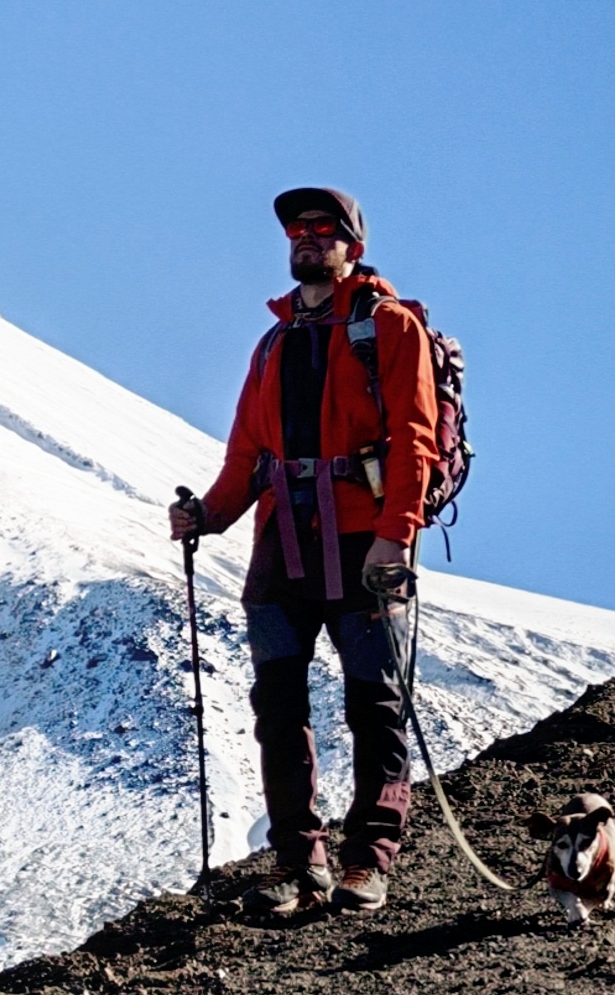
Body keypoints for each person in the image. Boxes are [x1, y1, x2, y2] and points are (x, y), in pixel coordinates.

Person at [165, 187, 438, 917]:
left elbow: (416, 438)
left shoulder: (390, 328)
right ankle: (301, 865)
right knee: (277, 708)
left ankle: (367, 861)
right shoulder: (274, 343)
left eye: (324, 230)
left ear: (353, 243)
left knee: (374, 704)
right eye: (297, 230)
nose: (307, 240)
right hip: (281, 546)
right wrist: (208, 516)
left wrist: (395, 534)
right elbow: (249, 453)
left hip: (362, 539)